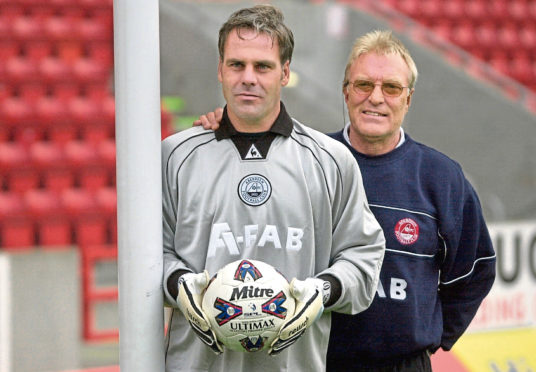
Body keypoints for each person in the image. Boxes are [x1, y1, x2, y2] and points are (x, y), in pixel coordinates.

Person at [195, 30, 496, 372]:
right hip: (314, 359)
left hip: (402, 364)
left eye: (391, 88)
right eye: (363, 85)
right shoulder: (304, 161)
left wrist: (433, 332)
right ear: (346, 91)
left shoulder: (441, 177)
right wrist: (224, 131)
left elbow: (475, 269)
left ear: (408, 98)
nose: (376, 98)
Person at [162, 5, 386, 372]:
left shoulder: (331, 161)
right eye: (237, 65)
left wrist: (324, 290)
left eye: (262, 66)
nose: (248, 77)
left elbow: (363, 257)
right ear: (220, 69)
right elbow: (147, 255)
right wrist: (178, 285)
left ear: (284, 72)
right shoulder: (175, 156)